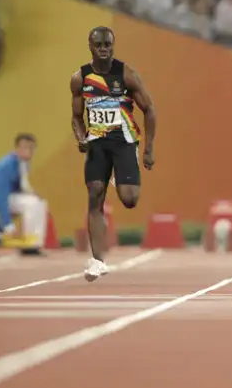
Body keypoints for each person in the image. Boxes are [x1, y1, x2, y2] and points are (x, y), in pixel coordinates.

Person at [70, 26, 157, 282]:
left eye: (107, 44)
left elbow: (149, 109)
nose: (103, 49)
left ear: (113, 46)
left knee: (129, 199)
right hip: (97, 143)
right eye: (98, 45)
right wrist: (81, 138)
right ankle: (97, 260)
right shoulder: (80, 78)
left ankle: (120, 175)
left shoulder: (126, 75)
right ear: (90, 47)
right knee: (95, 194)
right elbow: (76, 116)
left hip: (124, 141)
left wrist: (148, 149)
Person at [0, 133, 49, 255]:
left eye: (31, 148)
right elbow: (0, 196)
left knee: (40, 202)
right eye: (25, 148)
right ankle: (29, 244)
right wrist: (8, 224)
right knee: (32, 204)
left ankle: (35, 243)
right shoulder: (5, 167)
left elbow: (22, 186)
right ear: (17, 149)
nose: (29, 151)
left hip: (9, 196)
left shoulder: (23, 163)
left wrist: (33, 192)